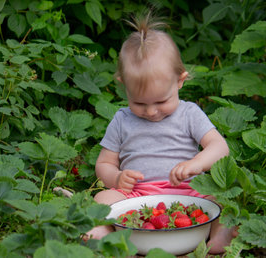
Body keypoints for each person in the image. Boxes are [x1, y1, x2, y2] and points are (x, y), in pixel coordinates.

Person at [87, 12, 236, 254]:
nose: (151, 111)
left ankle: (220, 235)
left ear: (180, 81)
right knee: (103, 200)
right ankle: (101, 233)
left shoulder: (189, 113)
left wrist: (196, 163)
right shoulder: (122, 119)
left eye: (161, 101)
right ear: (123, 85)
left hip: (191, 190)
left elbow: (220, 148)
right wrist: (116, 178)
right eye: (140, 103)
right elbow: (104, 162)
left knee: (221, 201)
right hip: (137, 195)